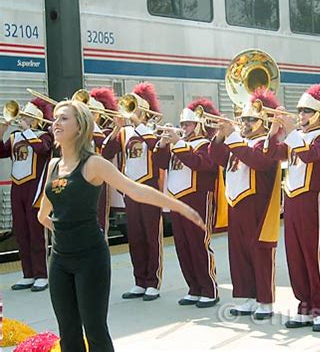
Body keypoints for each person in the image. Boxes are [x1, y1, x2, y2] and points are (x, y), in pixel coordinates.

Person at [37, 100, 205, 352]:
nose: (55, 123)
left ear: (80, 127)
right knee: (68, 333)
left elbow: (135, 190)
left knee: (94, 330)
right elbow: (43, 214)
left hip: (90, 259)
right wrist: (63, 232)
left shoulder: (93, 164)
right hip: (60, 261)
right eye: (55, 118)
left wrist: (180, 206)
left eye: (63, 118)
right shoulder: (52, 166)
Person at [266, 84, 320, 332]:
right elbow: (274, 154)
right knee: (295, 258)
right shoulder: (297, 135)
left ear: (319, 114)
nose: (301, 116)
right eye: (300, 111)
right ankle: (304, 307)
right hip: (292, 200)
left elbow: (310, 156)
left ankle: (319, 310)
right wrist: (273, 131)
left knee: (312, 257)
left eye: (307, 112)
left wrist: (290, 131)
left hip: (311, 200)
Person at [209, 88, 281, 320]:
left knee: (259, 253)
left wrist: (232, 137)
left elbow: (258, 161)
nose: (246, 123)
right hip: (235, 202)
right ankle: (247, 297)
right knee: (238, 253)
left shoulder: (264, 143)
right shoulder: (238, 141)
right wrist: (220, 136)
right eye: (244, 119)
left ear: (263, 122)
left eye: (252, 119)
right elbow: (218, 158)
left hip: (256, 203)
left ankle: (265, 301)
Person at [102, 82, 164, 301]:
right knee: (135, 237)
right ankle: (140, 281)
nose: (130, 111)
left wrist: (140, 124)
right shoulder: (125, 132)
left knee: (151, 236)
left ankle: (153, 282)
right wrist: (118, 128)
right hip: (131, 190)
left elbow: (157, 150)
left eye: (135, 107)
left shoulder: (155, 130)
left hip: (150, 188)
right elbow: (107, 152)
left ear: (144, 110)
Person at [158, 98, 220, 308]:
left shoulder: (206, 145)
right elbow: (160, 164)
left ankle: (209, 289)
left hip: (197, 199)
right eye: (182, 124)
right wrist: (163, 145)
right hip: (177, 200)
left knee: (198, 244)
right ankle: (193, 288)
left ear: (199, 124)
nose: (183, 128)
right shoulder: (179, 144)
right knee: (182, 246)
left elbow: (199, 164)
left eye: (187, 124)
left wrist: (178, 143)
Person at [0, 97, 53, 292]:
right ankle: (27, 274)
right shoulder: (15, 136)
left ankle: (41, 274)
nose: (21, 119)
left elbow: (43, 150)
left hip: (36, 188)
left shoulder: (44, 135)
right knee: (21, 232)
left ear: (35, 119)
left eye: (26, 117)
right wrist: (3, 129)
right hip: (17, 187)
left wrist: (28, 131)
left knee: (36, 232)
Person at [88, 87, 119, 237]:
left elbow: (105, 149)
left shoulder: (105, 132)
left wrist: (91, 124)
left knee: (99, 224)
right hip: (80, 180)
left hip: (99, 183)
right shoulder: (81, 132)